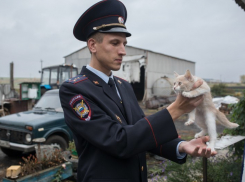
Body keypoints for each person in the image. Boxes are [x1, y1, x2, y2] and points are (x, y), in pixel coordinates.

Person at [59, 0, 217, 181]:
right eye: (115, 43)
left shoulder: (123, 85)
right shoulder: (75, 91)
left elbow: (142, 132)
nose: (123, 51)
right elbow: (120, 142)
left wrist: (182, 146)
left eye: (124, 43)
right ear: (93, 45)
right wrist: (176, 109)